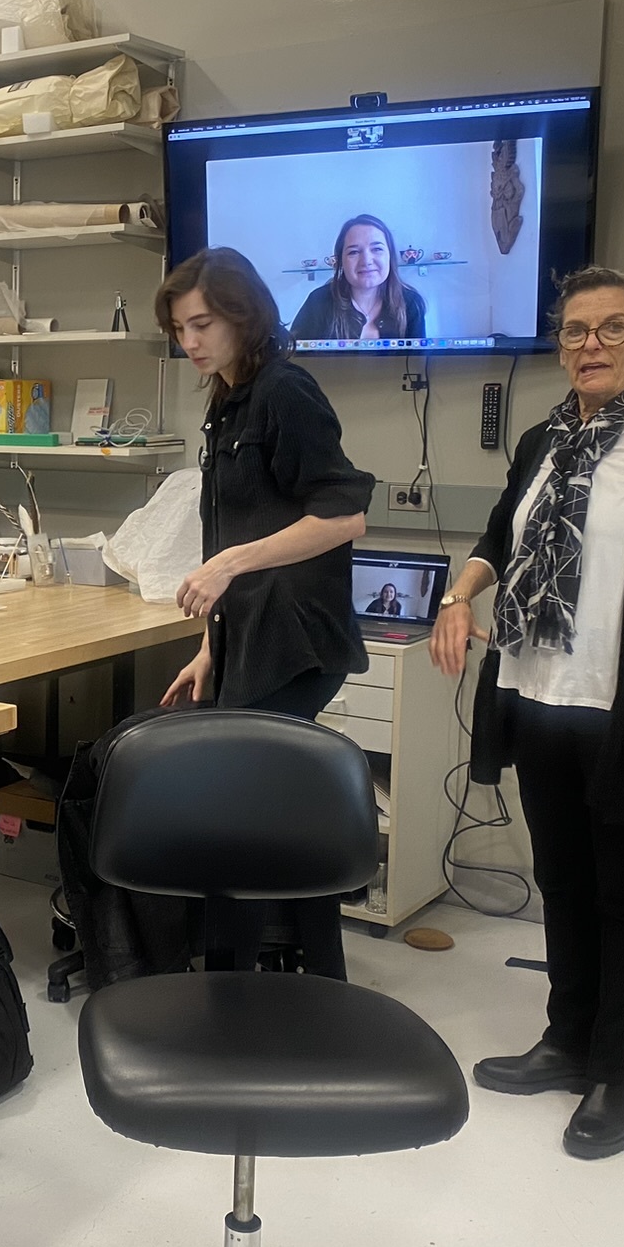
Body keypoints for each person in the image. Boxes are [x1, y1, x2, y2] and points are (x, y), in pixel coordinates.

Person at [429, 267, 624, 1160]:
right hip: (538, 700)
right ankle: (566, 1041)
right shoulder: (540, 441)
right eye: (574, 331)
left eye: (612, 329)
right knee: (564, 886)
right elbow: (501, 535)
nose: (590, 346)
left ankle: (616, 1076)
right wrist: (459, 597)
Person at [158, 247, 376, 978]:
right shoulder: (226, 398)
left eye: (201, 324)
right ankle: (317, 977)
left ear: (243, 315)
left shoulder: (286, 391)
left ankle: (229, 987)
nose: (188, 341)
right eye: (179, 328)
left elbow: (344, 516)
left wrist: (225, 567)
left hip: (300, 643)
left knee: (239, 819)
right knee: (276, 818)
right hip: (252, 638)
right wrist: (212, 648)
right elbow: (246, 522)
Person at [289, 213, 427, 343]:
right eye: (353, 252)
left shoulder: (410, 303)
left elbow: (418, 365)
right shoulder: (318, 301)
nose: (366, 261)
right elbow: (292, 360)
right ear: (340, 260)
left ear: (390, 256)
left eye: (377, 249)